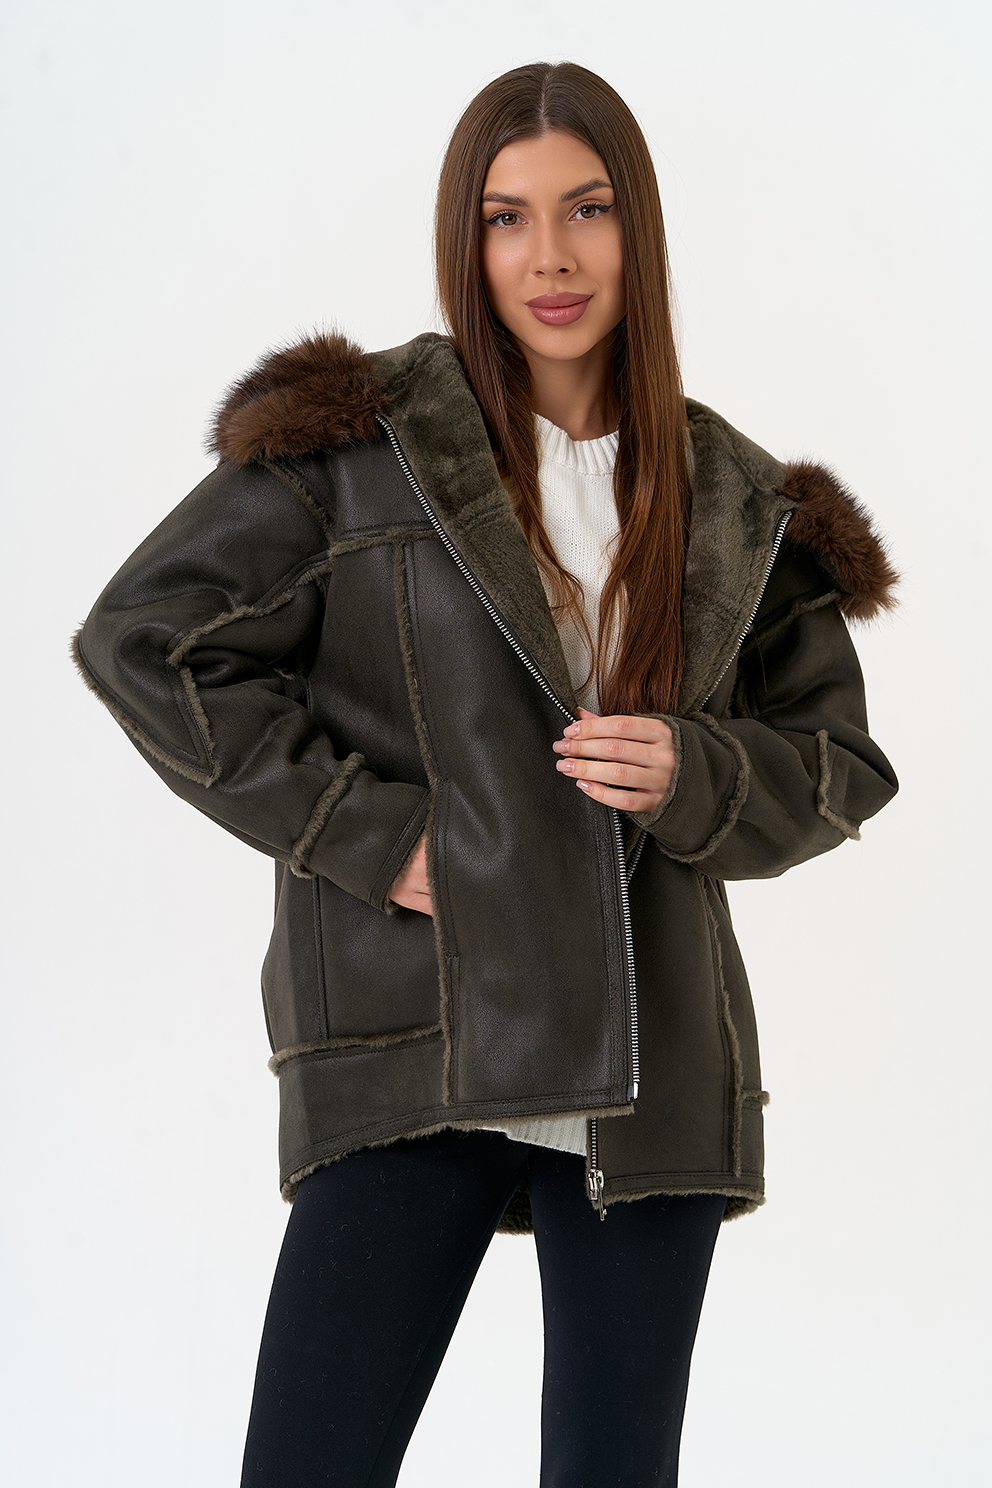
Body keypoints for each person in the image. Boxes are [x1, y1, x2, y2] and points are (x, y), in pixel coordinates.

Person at [73, 60, 898, 1488]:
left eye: (588, 209)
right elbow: (145, 641)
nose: (551, 257)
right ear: (466, 236)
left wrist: (697, 770)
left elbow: (839, 764)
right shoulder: (358, 446)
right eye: (507, 218)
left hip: (651, 1066)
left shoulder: (733, 497)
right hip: (421, 1033)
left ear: (639, 226)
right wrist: (367, 833)